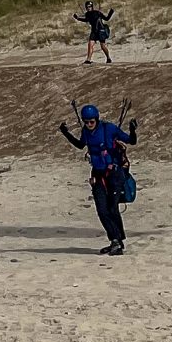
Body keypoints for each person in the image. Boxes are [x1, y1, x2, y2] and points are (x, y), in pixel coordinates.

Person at [59, 104, 138, 255]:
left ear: (97, 119)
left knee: (112, 209)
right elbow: (80, 145)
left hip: (114, 173)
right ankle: (115, 241)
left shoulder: (109, 129)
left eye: (91, 121)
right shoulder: (86, 131)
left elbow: (131, 141)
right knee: (102, 210)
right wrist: (66, 133)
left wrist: (133, 129)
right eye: (86, 122)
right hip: (97, 174)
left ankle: (117, 241)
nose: (89, 125)